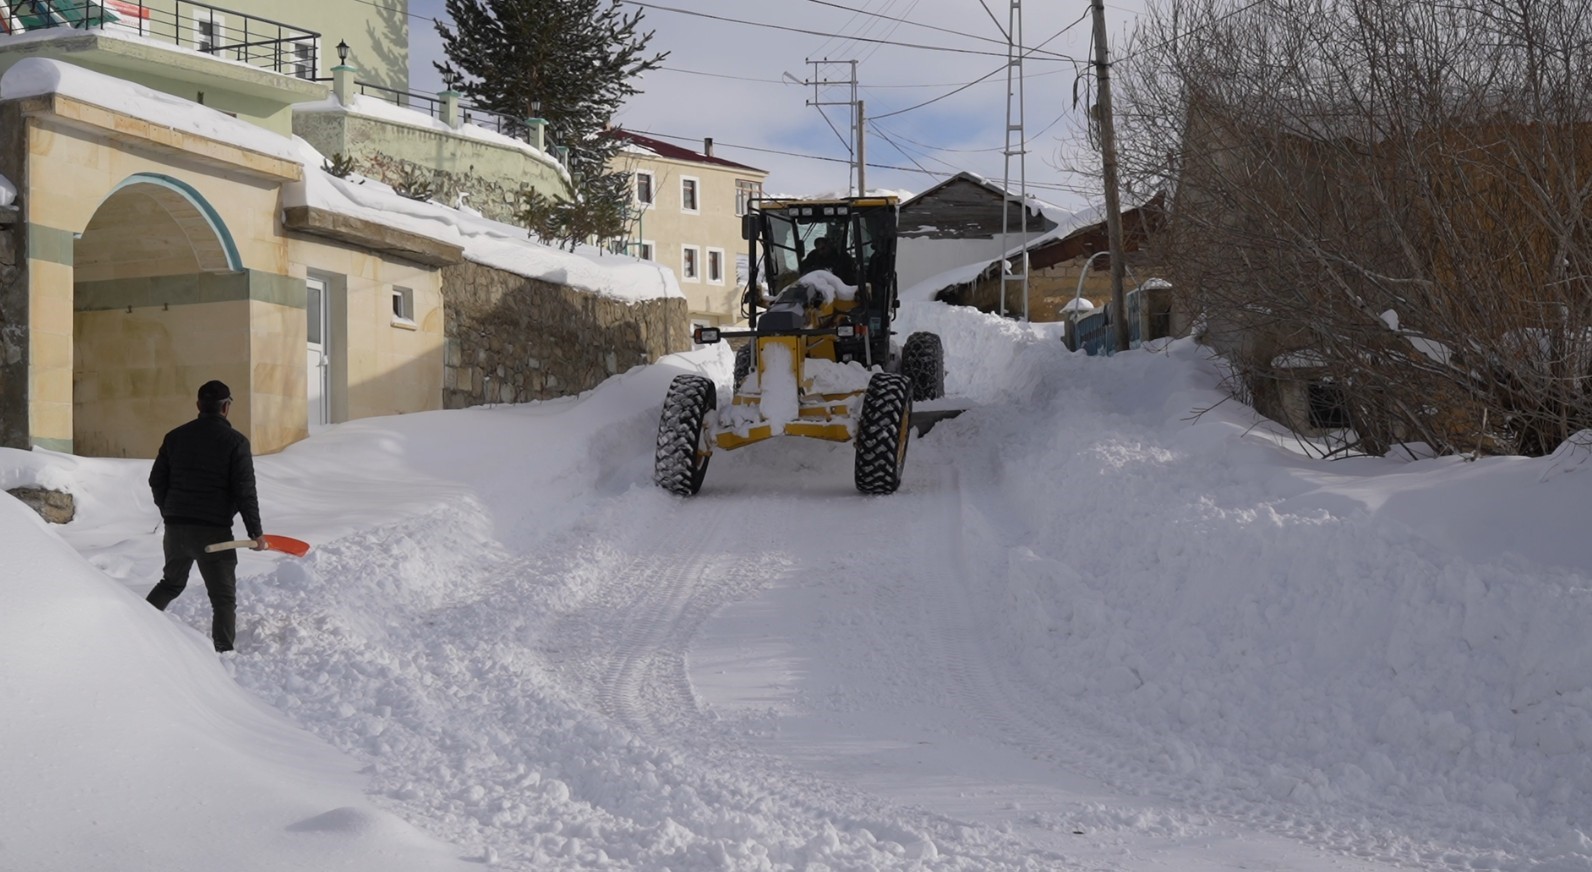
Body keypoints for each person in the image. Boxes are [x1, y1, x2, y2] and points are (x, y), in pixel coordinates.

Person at [145, 380, 266, 653]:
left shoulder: (175, 437)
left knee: (170, 584)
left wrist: (170, 511)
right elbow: (245, 491)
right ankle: (224, 654)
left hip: (176, 529)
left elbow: (156, 480)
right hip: (214, 532)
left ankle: (135, 629)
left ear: (199, 406)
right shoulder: (235, 442)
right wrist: (255, 532)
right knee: (223, 598)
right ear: (226, 407)